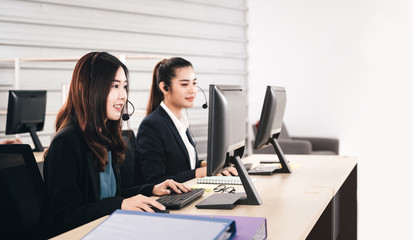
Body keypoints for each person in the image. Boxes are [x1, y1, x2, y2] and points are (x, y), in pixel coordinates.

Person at [40, 52, 190, 239]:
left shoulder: (105, 136)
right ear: (91, 88)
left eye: (125, 86)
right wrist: (118, 205)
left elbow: (111, 196)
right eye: (115, 86)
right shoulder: (66, 143)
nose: (123, 95)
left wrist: (151, 188)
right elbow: (63, 218)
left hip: (109, 229)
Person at [135, 57, 237, 185]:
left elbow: (180, 164)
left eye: (194, 83)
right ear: (165, 88)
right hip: (168, 202)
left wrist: (212, 165)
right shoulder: (152, 125)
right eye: (184, 84)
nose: (192, 90)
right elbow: (155, 181)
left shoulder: (180, 121)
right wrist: (199, 172)